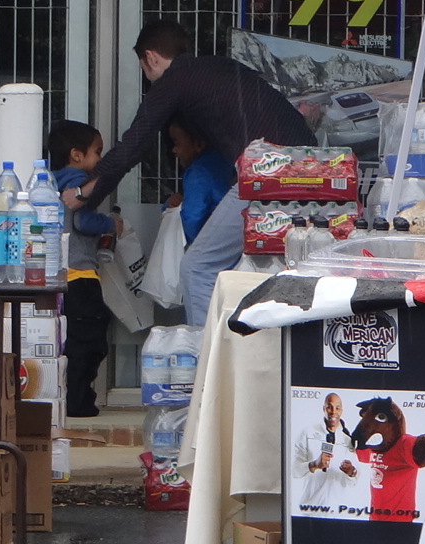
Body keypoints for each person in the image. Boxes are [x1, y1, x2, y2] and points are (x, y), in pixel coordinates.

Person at [64, 20, 314, 327]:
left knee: (198, 267)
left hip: (269, 175)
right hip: (319, 173)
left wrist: (83, 194)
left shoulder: (173, 80)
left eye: (144, 70)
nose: (148, 79)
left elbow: (133, 146)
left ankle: (207, 355)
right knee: (285, 269)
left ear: (150, 57)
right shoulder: (221, 69)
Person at [48, 120, 124, 418]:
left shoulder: (49, 181)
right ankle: (79, 403)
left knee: (66, 340)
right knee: (89, 340)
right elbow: (83, 221)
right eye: (98, 151)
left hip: (57, 276)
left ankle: (62, 397)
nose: (100, 159)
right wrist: (110, 223)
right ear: (77, 155)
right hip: (80, 275)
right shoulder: (78, 181)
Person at [165, 121, 235, 245]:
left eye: (176, 143)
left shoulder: (198, 172)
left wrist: (169, 209)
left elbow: (192, 218)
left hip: (213, 244)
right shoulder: (224, 162)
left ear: (198, 144)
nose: (174, 150)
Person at [291, 392, 359, 513]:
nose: (333, 411)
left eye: (337, 408)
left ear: (341, 411)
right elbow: (294, 471)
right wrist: (314, 465)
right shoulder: (307, 433)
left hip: (338, 512)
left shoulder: (348, 441)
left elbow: (355, 481)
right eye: (329, 407)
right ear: (323, 409)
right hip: (310, 510)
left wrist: (351, 472)